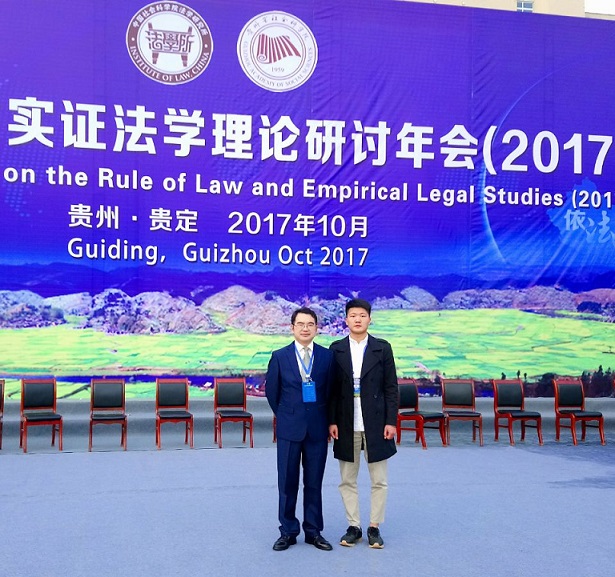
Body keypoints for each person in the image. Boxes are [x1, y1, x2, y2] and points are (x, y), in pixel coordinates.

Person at [328, 298, 399, 549]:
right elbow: (332, 390)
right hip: (346, 422)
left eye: (362, 315)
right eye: (353, 315)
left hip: (376, 422)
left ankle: (374, 527)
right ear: (345, 320)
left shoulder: (382, 348)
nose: (357, 319)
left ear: (370, 319)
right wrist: (332, 420)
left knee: (379, 479)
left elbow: (391, 387)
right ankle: (354, 526)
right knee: (347, 479)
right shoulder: (336, 349)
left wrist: (391, 421)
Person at [266, 307, 334, 551]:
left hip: (317, 428)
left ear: (317, 328)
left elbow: (331, 392)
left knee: (314, 483)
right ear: (292, 327)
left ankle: (313, 532)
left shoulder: (327, 357)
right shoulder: (279, 356)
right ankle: (288, 531)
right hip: (289, 428)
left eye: (310, 324)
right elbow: (272, 393)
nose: (305, 328)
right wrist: (287, 415)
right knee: (287, 482)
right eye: (301, 324)